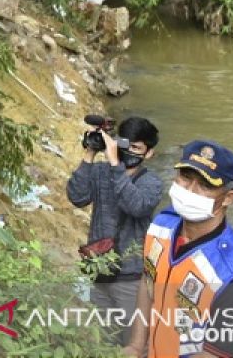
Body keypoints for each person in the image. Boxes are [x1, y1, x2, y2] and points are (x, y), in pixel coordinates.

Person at [126, 141, 233, 358]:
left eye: (205, 185)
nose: (190, 191)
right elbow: (148, 283)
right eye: (185, 177)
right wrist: (136, 346)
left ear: (229, 197)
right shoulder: (162, 224)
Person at [66, 116, 163, 346]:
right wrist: (90, 153)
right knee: (104, 339)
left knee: (133, 341)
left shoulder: (151, 182)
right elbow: (77, 197)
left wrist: (114, 165)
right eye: (125, 144)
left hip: (131, 277)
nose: (129, 151)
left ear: (149, 153)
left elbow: (136, 206)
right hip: (99, 270)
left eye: (137, 148)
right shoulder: (102, 172)